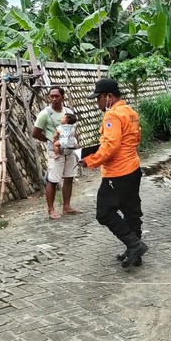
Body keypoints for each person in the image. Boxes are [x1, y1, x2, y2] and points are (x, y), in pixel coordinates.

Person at [79, 78, 148, 268]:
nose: (97, 102)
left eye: (98, 98)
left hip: (117, 173)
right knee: (131, 211)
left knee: (104, 212)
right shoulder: (130, 112)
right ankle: (135, 253)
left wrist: (89, 160)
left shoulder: (113, 115)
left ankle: (135, 245)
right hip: (133, 168)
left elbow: (111, 145)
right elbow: (136, 138)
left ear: (109, 97)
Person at [32, 87, 80, 220]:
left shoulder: (68, 112)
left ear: (62, 97)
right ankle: (51, 209)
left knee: (69, 177)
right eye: (51, 96)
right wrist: (50, 140)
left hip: (69, 150)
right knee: (52, 180)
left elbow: (73, 129)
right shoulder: (45, 114)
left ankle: (66, 206)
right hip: (55, 151)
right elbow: (35, 133)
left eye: (57, 96)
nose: (54, 99)